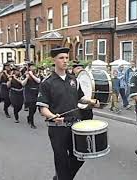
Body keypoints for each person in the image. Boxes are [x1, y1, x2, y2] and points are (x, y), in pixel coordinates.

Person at [37, 47, 99, 180]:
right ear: (54, 60)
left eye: (66, 58)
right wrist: (52, 116)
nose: (65, 61)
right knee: (61, 161)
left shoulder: (73, 80)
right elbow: (43, 108)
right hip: (57, 128)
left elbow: (80, 98)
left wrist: (90, 100)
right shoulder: (47, 83)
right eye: (61, 58)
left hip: (76, 127)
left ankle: (61, 178)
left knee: (80, 156)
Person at [22, 62, 40, 128]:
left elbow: (38, 81)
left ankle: (29, 117)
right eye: (32, 66)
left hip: (35, 92)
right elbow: (23, 84)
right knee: (31, 108)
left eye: (34, 66)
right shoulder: (25, 74)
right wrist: (27, 77)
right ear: (29, 67)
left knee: (34, 109)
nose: (33, 68)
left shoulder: (36, 74)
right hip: (29, 93)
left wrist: (32, 75)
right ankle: (32, 123)